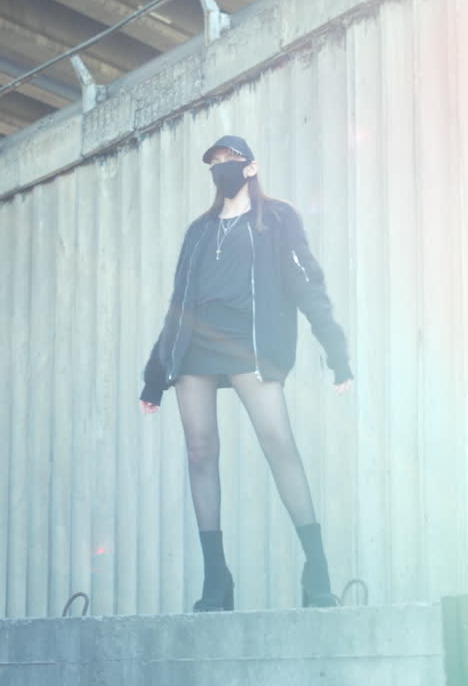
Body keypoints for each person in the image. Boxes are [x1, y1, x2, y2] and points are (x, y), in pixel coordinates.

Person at [140, 135, 354, 612]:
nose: (221, 169)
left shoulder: (277, 219)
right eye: (214, 163)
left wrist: (334, 347)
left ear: (251, 168)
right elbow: (178, 303)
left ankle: (316, 568)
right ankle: (217, 579)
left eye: (229, 161)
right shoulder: (199, 231)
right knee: (200, 454)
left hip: (250, 346)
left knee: (280, 445)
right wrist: (156, 373)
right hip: (194, 349)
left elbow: (307, 283)